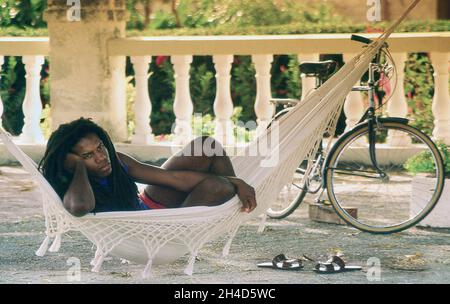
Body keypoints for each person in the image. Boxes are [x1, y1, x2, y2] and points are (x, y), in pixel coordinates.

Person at [39, 118, 257, 217]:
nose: (101, 157)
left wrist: (236, 181)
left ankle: (228, 205)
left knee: (206, 146)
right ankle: (192, 222)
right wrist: (78, 167)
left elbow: (172, 179)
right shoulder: (71, 183)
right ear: (68, 161)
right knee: (217, 188)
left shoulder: (116, 161)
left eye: (100, 147)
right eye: (87, 155)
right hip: (148, 231)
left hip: (149, 208)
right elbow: (79, 207)